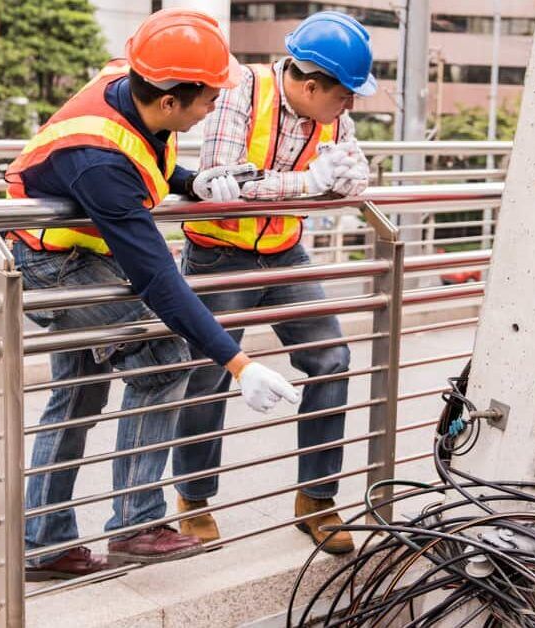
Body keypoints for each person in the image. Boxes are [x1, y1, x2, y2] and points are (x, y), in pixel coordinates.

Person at [4, 9, 300, 581]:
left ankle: (43, 542)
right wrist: (240, 365)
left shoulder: (134, 80)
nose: (216, 104)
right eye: (209, 97)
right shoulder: (98, 163)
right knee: (164, 357)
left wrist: (192, 181)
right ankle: (136, 524)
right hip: (52, 266)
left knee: (78, 393)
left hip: (80, 254)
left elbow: (148, 154)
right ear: (170, 101)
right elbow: (160, 281)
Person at [173, 11, 375, 555]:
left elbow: (342, 164)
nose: (350, 106)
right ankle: (192, 499)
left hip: (285, 251)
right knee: (207, 376)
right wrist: (306, 182)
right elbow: (220, 180)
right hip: (220, 254)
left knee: (331, 359)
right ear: (311, 86)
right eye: (345, 95)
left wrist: (349, 180)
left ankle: (317, 500)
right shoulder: (242, 90)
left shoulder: (332, 115)